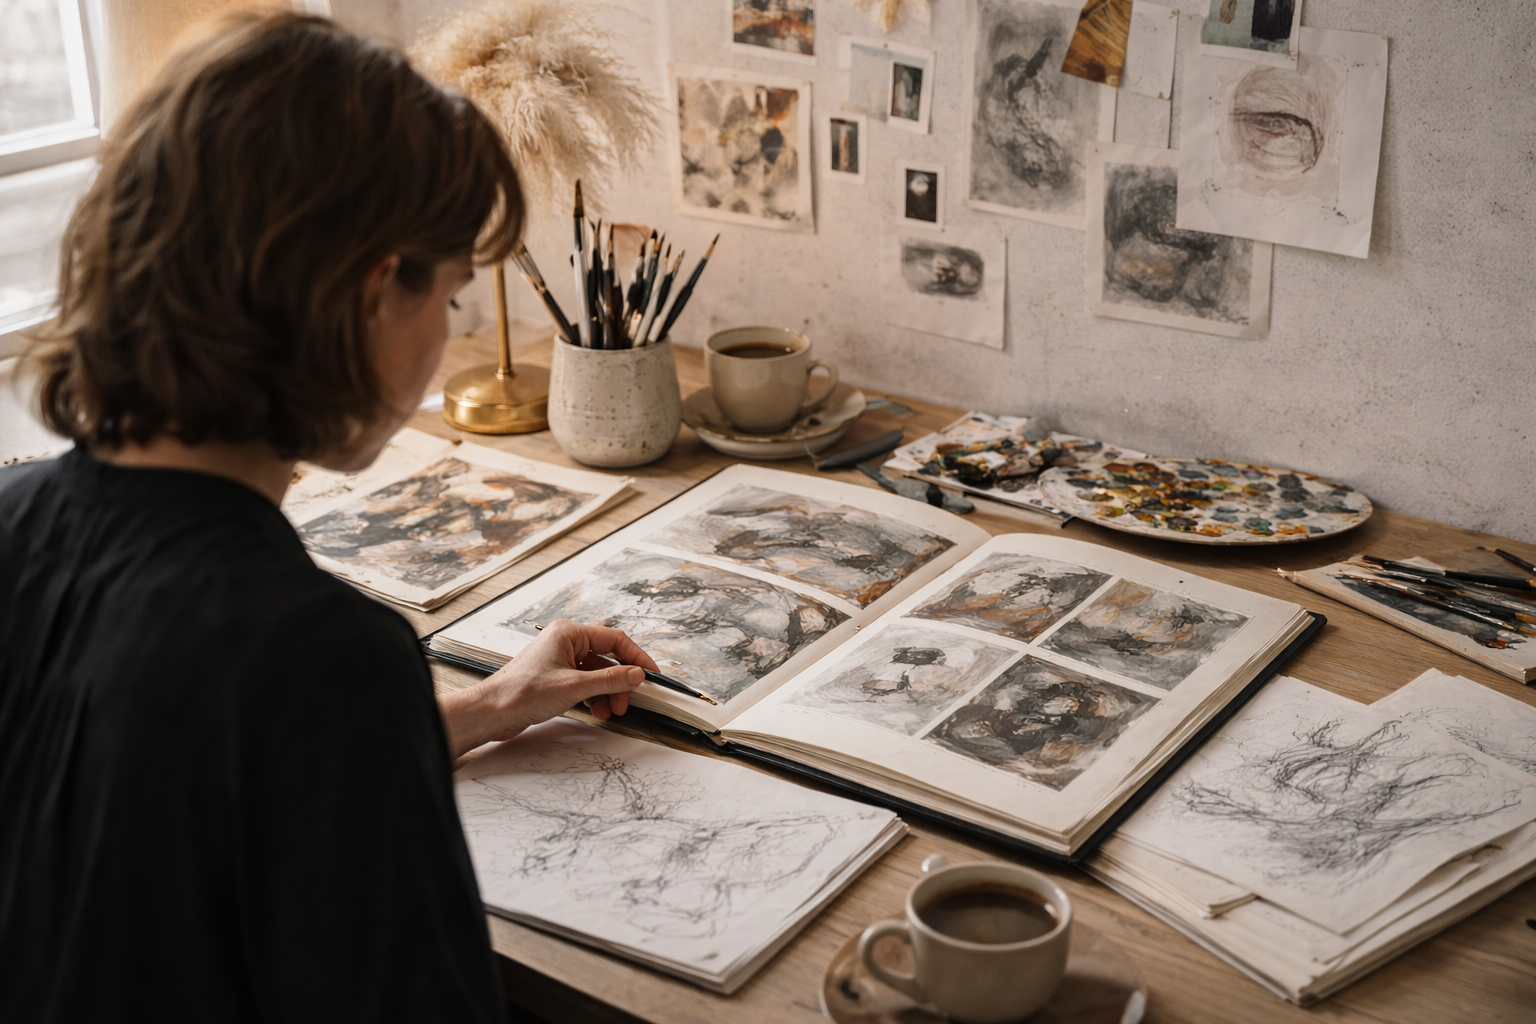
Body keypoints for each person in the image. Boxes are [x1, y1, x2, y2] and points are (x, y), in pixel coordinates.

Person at [0, 12, 657, 1021]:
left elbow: (166, 784)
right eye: (450, 296)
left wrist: (485, 706)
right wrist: (378, 714)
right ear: (368, 295)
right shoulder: (321, 658)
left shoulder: (15, 520)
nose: (448, 335)